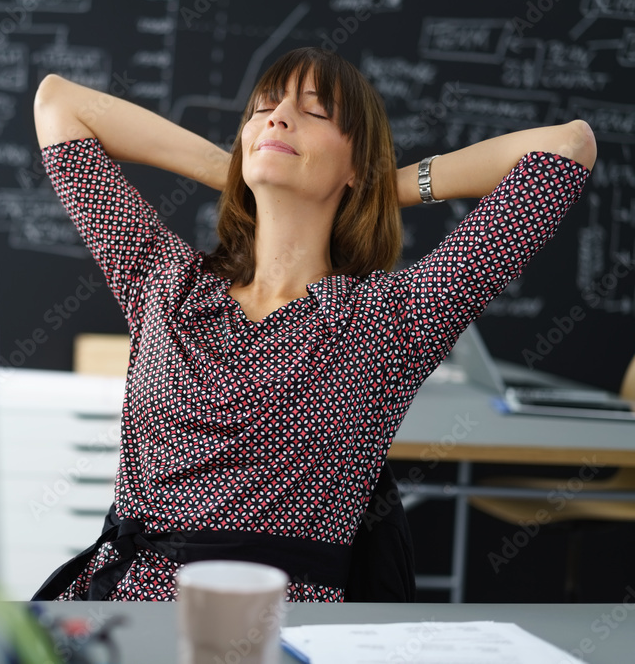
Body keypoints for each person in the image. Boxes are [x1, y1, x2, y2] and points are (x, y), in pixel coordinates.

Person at [29, 47, 596, 602]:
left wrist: (380, 186)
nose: (277, 116)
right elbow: (60, 104)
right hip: (130, 615)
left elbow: (568, 145)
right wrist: (239, 165)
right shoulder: (167, 283)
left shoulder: (394, 315)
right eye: (263, 109)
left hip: (289, 630)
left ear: (357, 163)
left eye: (315, 111)